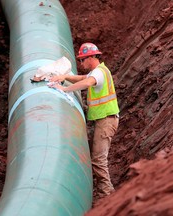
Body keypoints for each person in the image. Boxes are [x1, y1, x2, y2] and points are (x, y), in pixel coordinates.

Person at [49, 42, 120, 198]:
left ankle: (107, 195)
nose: (80, 63)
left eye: (82, 60)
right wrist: (65, 77)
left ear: (91, 57)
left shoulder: (99, 73)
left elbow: (87, 82)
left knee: (98, 160)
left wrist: (64, 89)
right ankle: (106, 193)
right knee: (98, 159)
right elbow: (82, 78)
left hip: (106, 121)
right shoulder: (98, 71)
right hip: (104, 120)